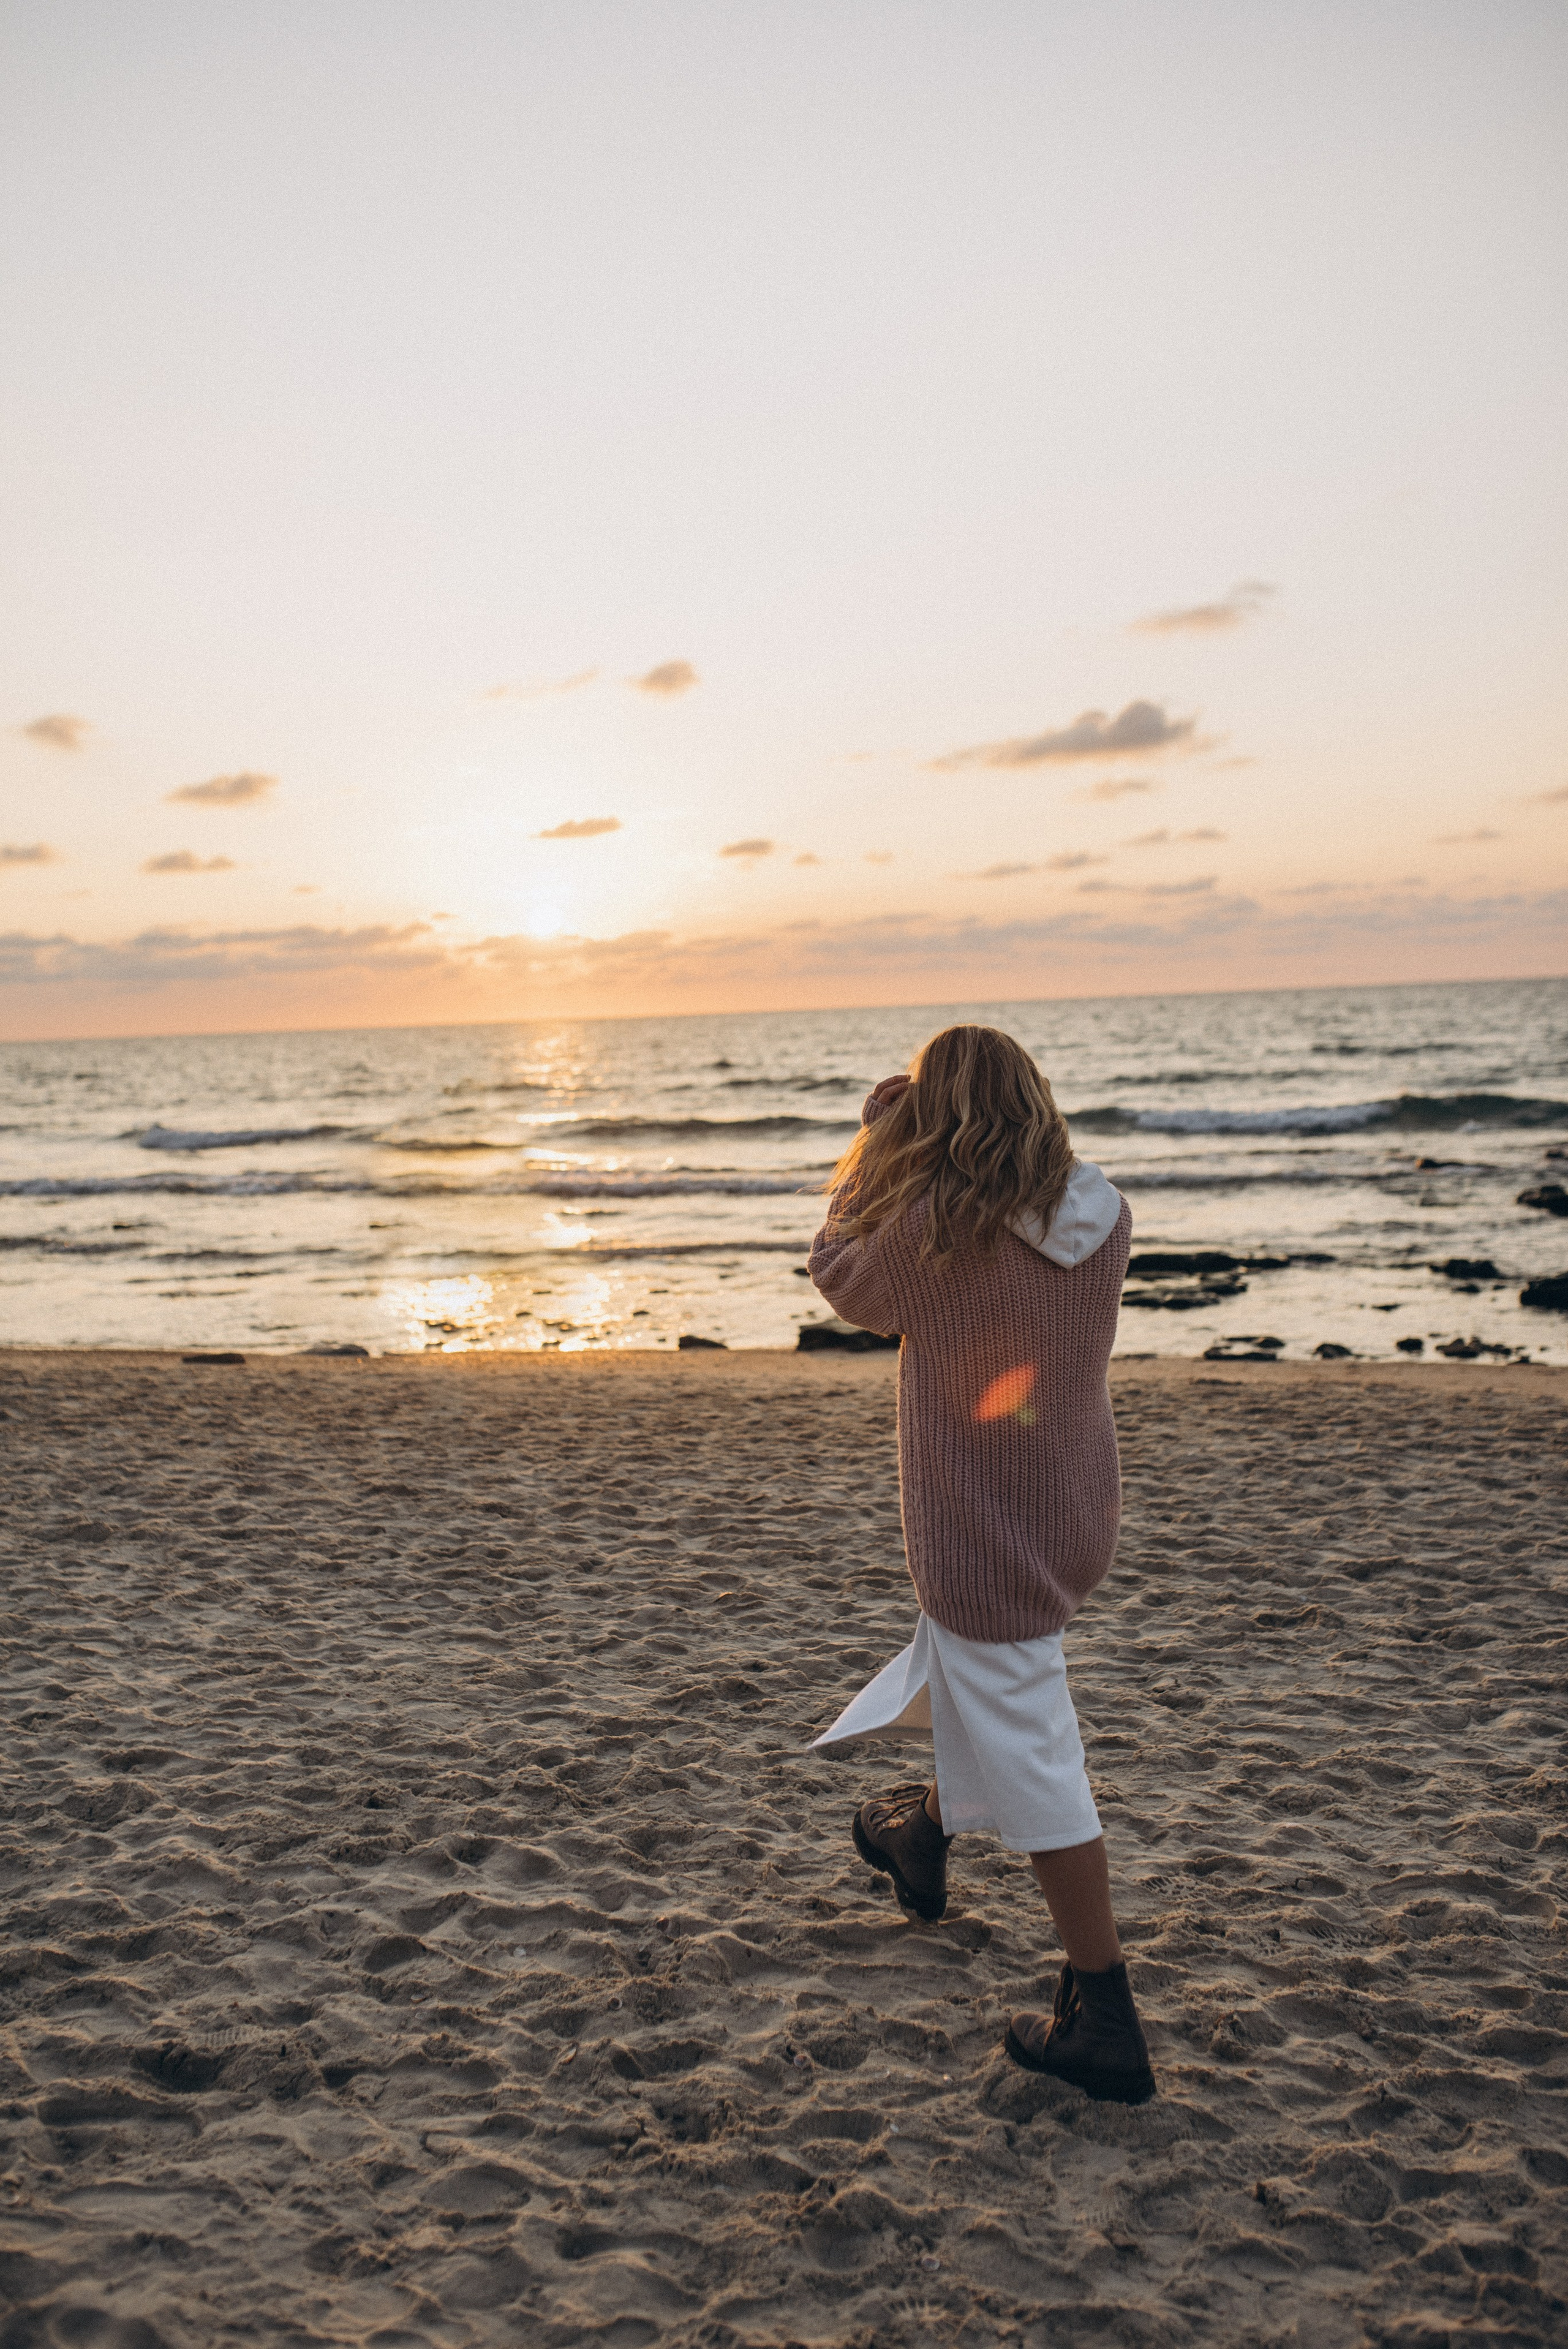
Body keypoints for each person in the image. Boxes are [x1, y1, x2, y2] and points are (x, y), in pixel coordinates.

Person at [808, 1023, 1154, 2105]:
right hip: (1069, 1511)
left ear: (940, 1118)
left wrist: (874, 1151)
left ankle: (1105, 2016)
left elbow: (840, 1277)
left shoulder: (930, 1230)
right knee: (969, 1673)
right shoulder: (1101, 1213)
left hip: (979, 1529)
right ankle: (920, 1830)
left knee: (1040, 1756)